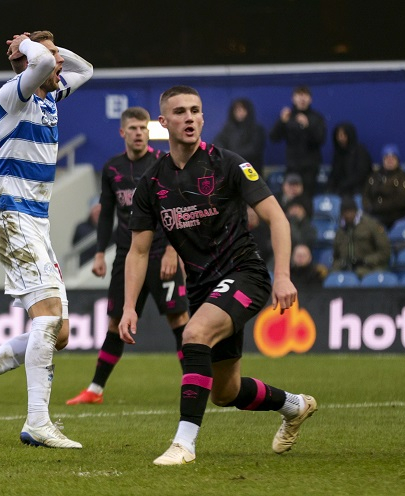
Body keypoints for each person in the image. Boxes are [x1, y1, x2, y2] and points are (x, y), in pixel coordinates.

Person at [118, 85, 316, 466]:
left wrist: (282, 276)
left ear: (203, 118)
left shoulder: (228, 164)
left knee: (193, 333)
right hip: (204, 289)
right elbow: (138, 251)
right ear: (163, 122)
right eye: (180, 112)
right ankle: (294, 406)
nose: (189, 118)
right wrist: (129, 306)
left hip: (245, 274)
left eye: (195, 111)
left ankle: (184, 444)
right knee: (225, 392)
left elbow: (278, 218)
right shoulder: (152, 183)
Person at [0, 30, 93, 449]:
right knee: (47, 319)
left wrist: (46, 49)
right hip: (14, 217)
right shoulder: (13, 95)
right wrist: (27, 47)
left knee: (59, 333)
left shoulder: (49, 97)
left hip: (36, 223)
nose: (59, 62)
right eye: (51, 54)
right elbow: (40, 63)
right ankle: (37, 422)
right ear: (28, 61)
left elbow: (86, 69)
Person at [66, 106, 190, 406]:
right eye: (133, 128)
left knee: (179, 318)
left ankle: (195, 383)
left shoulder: (162, 163)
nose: (138, 133)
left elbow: (177, 207)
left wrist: (173, 250)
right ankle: (95, 389)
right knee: (116, 321)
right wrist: (99, 253)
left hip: (161, 252)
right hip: (127, 256)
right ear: (123, 132)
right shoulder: (112, 168)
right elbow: (106, 213)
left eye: (143, 128)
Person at [269, 85, 327, 195]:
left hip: (310, 168)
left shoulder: (317, 118)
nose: (302, 98)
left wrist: (307, 126)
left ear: (310, 99)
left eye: (305, 95)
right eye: (299, 95)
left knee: (307, 198)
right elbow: (274, 138)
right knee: (290, 198)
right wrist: (281, 122)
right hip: (292, 166)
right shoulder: (288, 116)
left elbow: (321, 140)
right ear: (293, 98)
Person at [332, 195, 391, 278]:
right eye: (345, 212)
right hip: (345, 269)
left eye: (350, 212)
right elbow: (336, 256)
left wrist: (366, 261)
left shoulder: (371, 225)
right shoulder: (340, 231)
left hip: (369, 268)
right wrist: (341, 264)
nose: (348, 215)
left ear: (356, 211)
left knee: (360, 273)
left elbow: (385, 252)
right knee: (332, 276)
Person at [362, 144, 405, 229]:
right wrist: (370, 207)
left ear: (397, 160)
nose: (390, 160)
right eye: (387, 158)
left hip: (395, 217)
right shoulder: (374, 176)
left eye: (393, 158)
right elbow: (366, 195)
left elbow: (402, 200)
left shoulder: (403, 177)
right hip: (374, 214)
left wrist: (381, 207)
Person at [213, 98, 266, 173]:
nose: (239, 112)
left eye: (242, 109)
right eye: (237, 110)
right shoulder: (227, 129)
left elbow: (253, 150)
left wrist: (231, 155)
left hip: (251, 170)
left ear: (248, 111)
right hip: (232, 170)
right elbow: (218, 143)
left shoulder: (257, 129)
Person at [326, 122, 372, 197]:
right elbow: (334, 174)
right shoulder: (338, 153)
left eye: (343, 135)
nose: (340, 138)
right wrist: (329, 188)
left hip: (358, 190)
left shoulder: (360, 151)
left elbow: (361, 174)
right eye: (338, 135)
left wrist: (343, 185)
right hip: (340, 191)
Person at [70, 198, 100, 266]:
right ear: (91, 212)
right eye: (96, 210)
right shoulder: (81, 228)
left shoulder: (111, 225)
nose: (98, 213)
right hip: (88, 266)